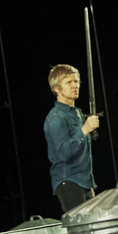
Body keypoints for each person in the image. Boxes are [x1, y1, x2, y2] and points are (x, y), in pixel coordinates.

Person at [44, 64, 100, 212]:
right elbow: (64, 153)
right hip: (68, 180)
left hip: (83, 181)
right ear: (57, 89)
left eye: (76, 81)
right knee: (80, 224)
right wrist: (84, 130)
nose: (75, 86)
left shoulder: (77, 112)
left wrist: (89, 184)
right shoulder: (56, 117)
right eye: (69, 82)